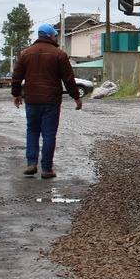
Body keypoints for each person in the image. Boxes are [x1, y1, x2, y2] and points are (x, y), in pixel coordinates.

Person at [11, 23, 83, 179]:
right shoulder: (59, 54)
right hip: (51, 100)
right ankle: (46, 168)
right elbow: (68, 79)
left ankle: (31, 163)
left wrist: (16, 95)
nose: (55, 37)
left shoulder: (25, 54)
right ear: (51, 36)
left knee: (32, 130)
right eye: (54, 35)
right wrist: (76, 97)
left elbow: (16, 77)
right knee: (49, 134)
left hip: (31, 99)